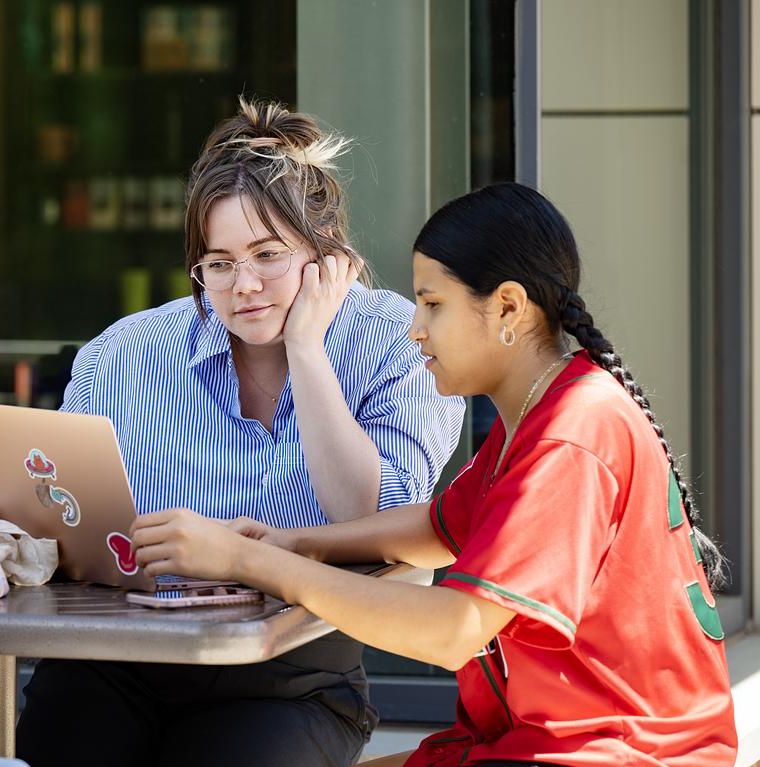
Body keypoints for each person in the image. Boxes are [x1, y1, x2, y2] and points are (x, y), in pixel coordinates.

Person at [131, 182, 738, 766]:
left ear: (506, 307)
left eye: (433, 304)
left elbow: (454, 631)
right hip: (539, 742)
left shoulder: (571, 432)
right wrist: (294, 541)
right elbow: (438, 525)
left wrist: (248, 563)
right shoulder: (546, 408)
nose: (416, 329)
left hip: (609, 752)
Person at [15, 99, 465, 767]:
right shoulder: (124, 353)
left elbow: (372, 520)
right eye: (218, 264)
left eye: (267, 255)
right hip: (117, 662)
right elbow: (60, 520)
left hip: (290, 677)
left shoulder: (395, 344)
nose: (243, 286)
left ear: (325, 251)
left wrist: (308, 350)